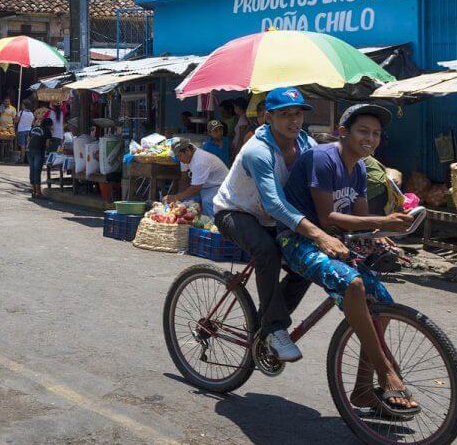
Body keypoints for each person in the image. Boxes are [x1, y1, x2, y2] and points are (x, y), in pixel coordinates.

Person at [279, 104, 420, 415]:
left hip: (336, 241)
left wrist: (379, 233)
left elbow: (359, 217)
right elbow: (327, 216)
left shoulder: (358, 168)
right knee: (353, 284)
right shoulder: (323, 158)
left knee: (380, 302)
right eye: (363, 131)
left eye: (376, 134)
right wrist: (382, 223)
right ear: (343, 132)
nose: (370, 138)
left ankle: (362, 389)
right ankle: (386, 372)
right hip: (300, 238)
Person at [214, 87, 347, 362]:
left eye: (297, 114)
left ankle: (268, 319)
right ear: (268, 117)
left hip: (274, 217)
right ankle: (275, 329)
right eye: (284, 114)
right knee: (267, 251)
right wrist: (320, 234)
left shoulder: (306, 145)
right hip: (236, 211)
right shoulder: (257, 151)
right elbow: (274, 203)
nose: (293, 121)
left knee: (307, 261)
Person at [163, 138, 228, 218]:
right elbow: (184, 178)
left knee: (207, 202)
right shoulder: (186, 156)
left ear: (187, 150)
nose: (179, 159)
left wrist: (176, 197)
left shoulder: (200, 161)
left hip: (219, 185)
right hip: (204, 186)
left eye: (179, 156)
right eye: (177, 156)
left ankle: (213, 226)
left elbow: (195, 188)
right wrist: (178, 199)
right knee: (185, 202)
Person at [27, 118, 53, 198]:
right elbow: (47, 144)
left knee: (32, 170)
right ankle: (38, 192)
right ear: (48, 125)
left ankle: (34, 191)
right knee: (37, 171)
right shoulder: (47, 131)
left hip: (30, 151)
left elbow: (28, 139)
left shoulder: (34, 128)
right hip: (39, 151)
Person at [15, 100, 35, 164]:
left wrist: (15, 118)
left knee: (22, 145)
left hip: (21, 130)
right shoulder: (31, 114)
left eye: (22, 104)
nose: (21, 105)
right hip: (29, 130)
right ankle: (27, 159)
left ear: (24, 105)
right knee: (27, 146)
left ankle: (22, 159)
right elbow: (32, 123)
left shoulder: (21, 112)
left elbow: (16, 121)